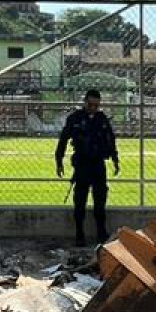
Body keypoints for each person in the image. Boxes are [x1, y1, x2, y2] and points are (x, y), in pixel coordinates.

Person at [55, 88, 120, 244]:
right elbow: (63, 140)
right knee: (80, 200)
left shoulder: (102, 119)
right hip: (82, 165)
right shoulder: (75, 119)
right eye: (90, 104)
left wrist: (115, 159)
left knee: (100, 199)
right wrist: (59, 161)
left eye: (96, 105)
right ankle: (79, 234)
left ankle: (101, 232)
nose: (93, 108)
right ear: (85, 103)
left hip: (98, 164)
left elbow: (110, 140)